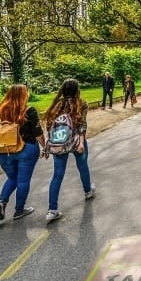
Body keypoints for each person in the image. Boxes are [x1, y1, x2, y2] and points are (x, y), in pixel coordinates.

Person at [43, 79, 95, 224]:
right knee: (82, 166)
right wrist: (81, 141)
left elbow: (49, 125)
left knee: (57, 174)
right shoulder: (81, 103)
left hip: (59, 142)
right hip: (77, 140)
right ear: (77, 90)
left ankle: (52, 209)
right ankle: (87, 191)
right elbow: (82, 124)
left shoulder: (57, 104)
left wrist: (49, 144)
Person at [0, 84, 45, 221]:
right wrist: (45, 146)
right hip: (26, 148)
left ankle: (2, 202)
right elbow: (38, 133)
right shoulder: (28, 110)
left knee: (12, 178)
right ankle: (19, 210)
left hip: (5, 151)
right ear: (24, 94)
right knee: (23, 180)